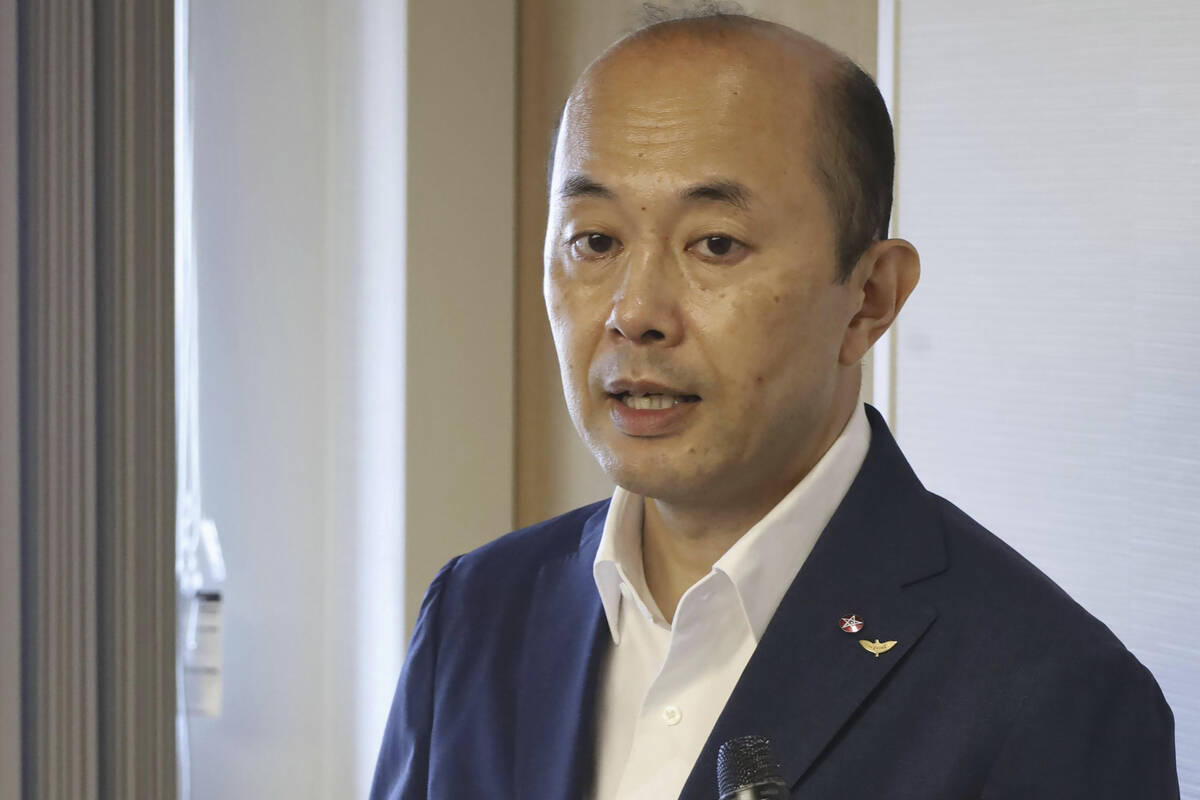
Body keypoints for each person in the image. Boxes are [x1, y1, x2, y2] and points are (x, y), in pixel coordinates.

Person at [370, 12, 1179, 800]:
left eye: (715, 244)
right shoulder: (478, 612)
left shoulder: (1050, 695)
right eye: (595, 241)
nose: (635, 310)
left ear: (869, 298)